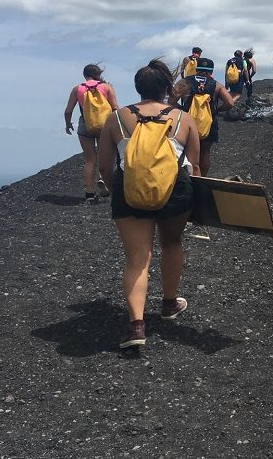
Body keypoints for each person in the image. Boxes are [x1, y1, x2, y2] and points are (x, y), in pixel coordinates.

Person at [98, 59, 202, 350]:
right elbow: (194, 166)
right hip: (176, 190)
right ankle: (169, 304)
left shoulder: (116, 118)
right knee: (171, 243)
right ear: (167, 88)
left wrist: (115, 186)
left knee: (137, 258)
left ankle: (136, 326)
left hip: (129, 190)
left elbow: (105, 166)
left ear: (137, 87)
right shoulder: (184, 118)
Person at [64, 64, 119, 203]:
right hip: (104, 125)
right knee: (105, 156)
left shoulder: (77, 89)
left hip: (85, 125)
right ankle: (103, 180)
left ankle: (89, 194)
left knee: (89, 159)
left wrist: (68, 124)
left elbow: (68, 111)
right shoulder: (107, 87)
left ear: (84, 74)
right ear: (98, 74)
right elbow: (115, 108)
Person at [178, 58, 236, 176]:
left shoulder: (185, 82)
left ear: (197, 69)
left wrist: (182, 110)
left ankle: (186, 177)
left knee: (185, 151)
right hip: (208, 123)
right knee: (205, 152)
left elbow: (171, 100)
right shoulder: (216, 85)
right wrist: (218, 110)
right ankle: (202, 178)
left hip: (187, 123)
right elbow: (230, 103)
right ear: (211, 71)